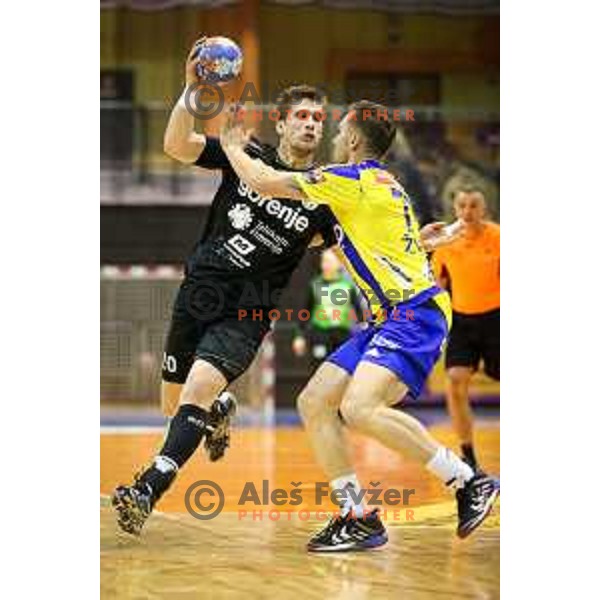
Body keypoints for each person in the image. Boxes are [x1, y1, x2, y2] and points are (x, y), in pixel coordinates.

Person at [219, 100, 499, 552]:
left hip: (414, 313)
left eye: (338, 129)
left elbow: (263, 181)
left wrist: (233, 149)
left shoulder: (349, 180)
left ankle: (468, 481)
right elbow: (382, 242)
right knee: (314, 402)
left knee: (360, 407)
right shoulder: (385, 184)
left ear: (352, 139)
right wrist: (426, 241)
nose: (330, 135)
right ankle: (357, 515)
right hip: (390, 317)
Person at [111, 39, 337, 535]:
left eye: (318, 120)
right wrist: (193, 90)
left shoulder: (325, 195)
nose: (310, 125)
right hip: (198, 294)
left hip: (247, 313)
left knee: (193, 392)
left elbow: (346, 250)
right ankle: (218, 410)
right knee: (173, 408)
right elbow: (178, 145)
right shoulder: (244, 155)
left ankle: (148, 488)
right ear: (281, 123)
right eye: (300, 115)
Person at [432, 186, 500, 471]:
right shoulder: (446, 243)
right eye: (462, 206)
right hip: (462, 321)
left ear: (483, 209)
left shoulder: (499, 237)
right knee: (455, 381)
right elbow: (438, 285)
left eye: (474, 205)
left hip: (497, 319)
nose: (468, 212)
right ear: (455, 209)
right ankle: (468, 455)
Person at [292, 248, 363, 371]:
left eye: (330, 261)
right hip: (320, 333)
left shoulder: (347, 285)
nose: (327, 264)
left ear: (339, 264)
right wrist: (299, 337)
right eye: (324, 261)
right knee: (318, 365)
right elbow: (305, 312)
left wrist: (363, 329)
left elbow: (358, 311)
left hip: (343, 333)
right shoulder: (316, 284)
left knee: (341, 367)